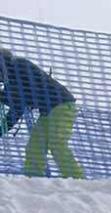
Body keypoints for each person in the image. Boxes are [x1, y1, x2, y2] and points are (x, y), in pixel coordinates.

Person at [0, 46, 83, 179]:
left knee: (57, 144)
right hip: (47, 111)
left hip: (61, 105)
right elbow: (17, 99)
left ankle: (77, 179)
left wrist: (2, 129)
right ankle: (33, 180)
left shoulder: (18, 67)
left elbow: (18, 104)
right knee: (35, 148)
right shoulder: (12, 75)